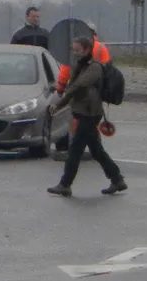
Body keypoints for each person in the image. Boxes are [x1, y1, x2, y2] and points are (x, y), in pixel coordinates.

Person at [45, 35, 127, 197]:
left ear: (87, 50)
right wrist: (61, 102)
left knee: (75, 150)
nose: (75, 53)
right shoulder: (79, 66)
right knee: (96, 150)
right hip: (84, 112)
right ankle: (117, 179)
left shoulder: (94, 68)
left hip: (89, 113)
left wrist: (59, 103)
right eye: (73, 50)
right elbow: (73, 86)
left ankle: (65, 184)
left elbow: (79, 86)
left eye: (78, 50)